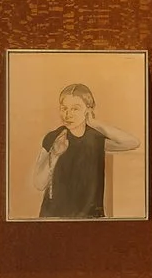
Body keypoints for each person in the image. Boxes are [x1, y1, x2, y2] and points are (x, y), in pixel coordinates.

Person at [32, 80, 140, 219]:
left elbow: (132, 142)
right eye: (64, 108)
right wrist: (55, 154)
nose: (67, 114)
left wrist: (95, 123)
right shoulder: (54, 137)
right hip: (55, 215)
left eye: (75, 108)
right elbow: (39, 184)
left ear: (88, 110)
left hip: (90, 216)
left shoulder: (95, 138)